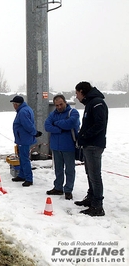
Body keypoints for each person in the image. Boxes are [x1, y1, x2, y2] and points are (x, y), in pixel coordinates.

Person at [74, 81, 108, 216]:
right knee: (90, 173)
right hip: (88, 145)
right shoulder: (90, 103)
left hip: (94, 145)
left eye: (77, 93)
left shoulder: (97, 103)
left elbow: (100, 124)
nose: (76, 96)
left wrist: (85, 136)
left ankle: (97, 206)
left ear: (82, 91)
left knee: (95, 175)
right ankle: (91, 198)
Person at [44, 95, 80, 200]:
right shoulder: (52, 114)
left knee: (69, 169)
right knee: (58, 169)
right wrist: (60, 129)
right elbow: (47, 126)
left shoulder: (73, 112)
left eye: (61, 104)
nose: (59, 107)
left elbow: (71, 123)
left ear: (65, 102)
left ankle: (68, 190)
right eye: (57, 105)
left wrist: (56, 124)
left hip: (68, 146)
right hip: (55, 146)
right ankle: (58, 187)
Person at [10, 95, 42, 187]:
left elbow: (27, 125)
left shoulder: (23, 112)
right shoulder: (25, 109)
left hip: (24, 139)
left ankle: (28, 178)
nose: (13, 106)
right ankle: (22, 175)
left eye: (13, 104)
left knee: (24, 159)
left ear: (16, 104)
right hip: (22, 138)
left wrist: (34, 132)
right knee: (22, 157)